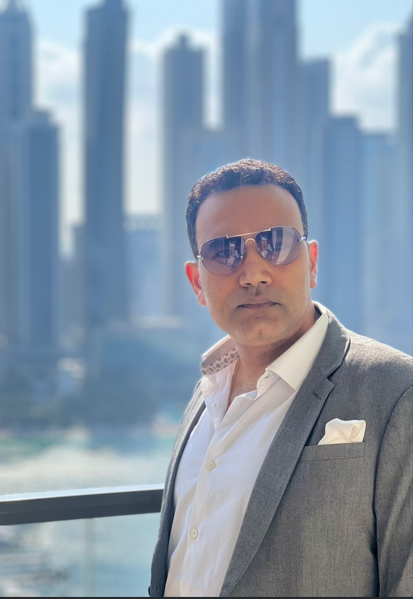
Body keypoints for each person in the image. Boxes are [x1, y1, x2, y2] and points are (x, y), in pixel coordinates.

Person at [149, 159, 413, 597]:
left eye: (277, 243)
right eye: (224, 252)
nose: (254, 273)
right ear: (197, 282)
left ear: (311, 263)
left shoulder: (396, 390)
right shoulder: (205, 395)